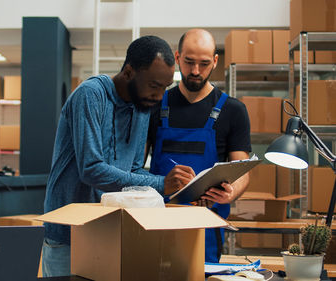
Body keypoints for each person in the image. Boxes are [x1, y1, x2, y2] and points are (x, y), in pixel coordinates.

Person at [42, 35, 177, 277]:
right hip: (69, 233)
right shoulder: (91, 95)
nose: (159, 97)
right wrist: (160, 183)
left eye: (165, 88)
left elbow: (134, 171)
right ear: (128, 72)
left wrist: (176, 187)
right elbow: (91, 169)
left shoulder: (142, 107)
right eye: (154, 85)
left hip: (109, 232)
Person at [147, 29, 251, 263]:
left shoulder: (233, 110)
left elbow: (241, 168)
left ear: (215, 61)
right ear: (177, 57)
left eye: (204, 64)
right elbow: (133, 167)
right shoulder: (154, 105)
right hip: (156, 222)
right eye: (189, 62)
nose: (195, 71)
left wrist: (232, 191)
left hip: (206, 225)